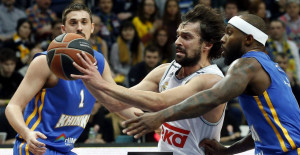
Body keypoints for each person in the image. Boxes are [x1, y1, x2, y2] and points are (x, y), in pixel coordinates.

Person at [121, 14, 300, 155]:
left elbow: (211, 97)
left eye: (229, 32)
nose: (223, 39)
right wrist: (228, 150)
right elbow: (262, 129)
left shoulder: (247, 64)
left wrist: (160, 116)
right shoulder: (271, 67)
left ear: (248, 40)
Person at [72, 4, 226, 154]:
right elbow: (116, 103)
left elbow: (160, 102)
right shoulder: (165, 70)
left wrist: (101, 84)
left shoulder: (212, 80)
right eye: (178, 35)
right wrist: (87, 76)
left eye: (186, 37)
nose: (177, 41)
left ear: (207, 45)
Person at [5, 3, 115, 155]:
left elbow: (119, 102)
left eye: (84, 22)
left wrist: (153, 118)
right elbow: (13, 106)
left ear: (92, 27)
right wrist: (26, 133)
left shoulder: (100, 62)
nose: (79, 28)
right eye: (73, 23)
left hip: (64, 150)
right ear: (63, 30)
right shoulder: (45, 61)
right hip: (37, 147)